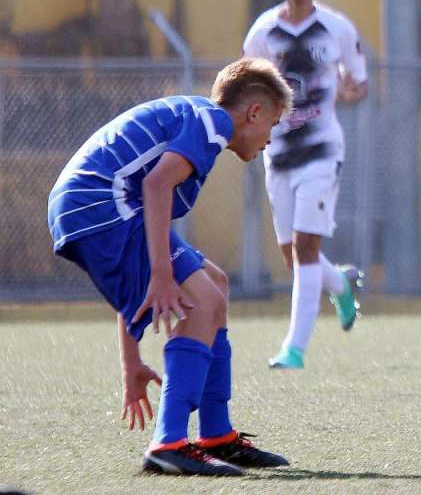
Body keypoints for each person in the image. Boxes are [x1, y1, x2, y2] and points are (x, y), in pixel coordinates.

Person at [47, 58, 294, 475]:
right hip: (97, 205)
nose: (271, 138)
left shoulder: (197, 119)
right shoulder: (213, 123)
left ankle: (217, 435)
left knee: (212, 284)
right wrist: (162, 274)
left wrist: (131, 361)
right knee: (201, 298)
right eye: (273, 123)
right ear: (253, 112)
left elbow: (137, 263)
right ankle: (169, 443)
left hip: (95, 205)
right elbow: (156, 185)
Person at [243, 0, 369, 370]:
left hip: (321, 149)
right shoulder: (262, 33)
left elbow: (358, 81)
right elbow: (248, 85)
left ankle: (294, 348)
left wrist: (352, 90)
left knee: (305, 246)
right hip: (277, 153)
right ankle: (341, 285)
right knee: (293, 255)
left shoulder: (336, 28)